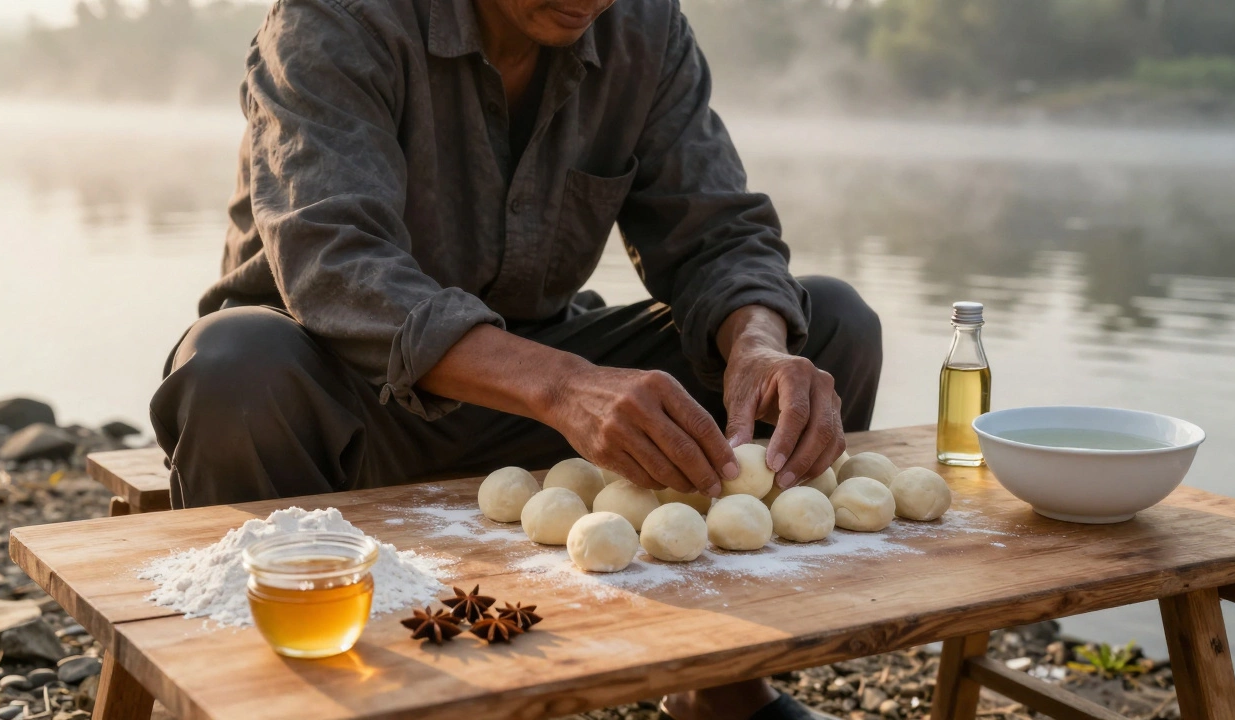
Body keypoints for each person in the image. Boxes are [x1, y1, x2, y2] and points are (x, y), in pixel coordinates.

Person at [151, 0, 881, 716]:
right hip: (341, 403)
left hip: (523, 398)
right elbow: (336, 261)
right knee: (232, 363)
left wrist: (756, 344)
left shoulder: (644, 27)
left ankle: (722, 683)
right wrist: (565, 388)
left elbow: (717, 236)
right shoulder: (336, 17)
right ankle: (287, 696)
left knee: (826, 325)